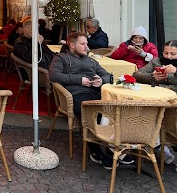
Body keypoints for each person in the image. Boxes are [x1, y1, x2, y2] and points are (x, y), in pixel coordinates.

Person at [49, 32, 132, 170]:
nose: (86, 47)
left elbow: (106, 75)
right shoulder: (61, 58)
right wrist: (79, 80)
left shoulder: (91, 60)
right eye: (82, 44)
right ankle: (96, 151)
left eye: (86, 43)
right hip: (75, 95)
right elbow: (53, 75)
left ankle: (114, 147)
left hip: (95, 92)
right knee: (95, 112)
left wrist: (101, 81)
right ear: (72, 45)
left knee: (116, 108)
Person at [134, 40, 177, 164]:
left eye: (173, 54)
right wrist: (152, 77)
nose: (168, 57)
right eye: (166, 53)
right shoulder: (157, 61)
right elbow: (137, 74)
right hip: (156, 99)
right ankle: (157, 146)